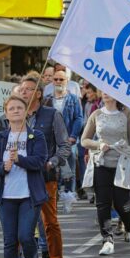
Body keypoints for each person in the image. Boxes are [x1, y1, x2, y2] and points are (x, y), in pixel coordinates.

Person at [0, 95, 48, 258]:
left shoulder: (36, 136)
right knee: (10, 240)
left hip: (29, 195)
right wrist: (2, 166)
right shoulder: (0, 137)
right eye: (11, 108)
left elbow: (39, 161)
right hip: (6, 196)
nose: (15, 111)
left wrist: (19, 159)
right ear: (6, 114)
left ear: (26, 112)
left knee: (26, 236)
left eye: (19, 108)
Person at [18, 75, 70, 258]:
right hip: (20, 176)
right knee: (19, 222)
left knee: (49, 221)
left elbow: (64, 145)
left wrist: (52, 162)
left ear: (38, 94)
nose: (24, 92)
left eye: (28, 89)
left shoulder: (52, 114)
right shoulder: (15, 114)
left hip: (45, 175)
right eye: (22, 89)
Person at [81, 92, 130, 255]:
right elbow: (84, 140)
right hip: (101, 163)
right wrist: (98, 144)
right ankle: (107, 240)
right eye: (103, 92)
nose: (105, 94)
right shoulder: (96, 114)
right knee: (102, 203)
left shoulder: (127, 114)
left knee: (121, 202)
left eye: (109, 92)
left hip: (122, 162)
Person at [44, 70, 84, 205]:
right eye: (56, 79)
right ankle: (53, 196)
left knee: (69, 168)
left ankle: (68, 195)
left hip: (68, 139)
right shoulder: (47, 99)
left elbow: (79, 118)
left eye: (61, 79)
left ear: (67, 81)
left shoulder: (73, 98)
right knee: (53, 167)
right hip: (51, 139)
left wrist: (73, 136)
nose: (58, 82)